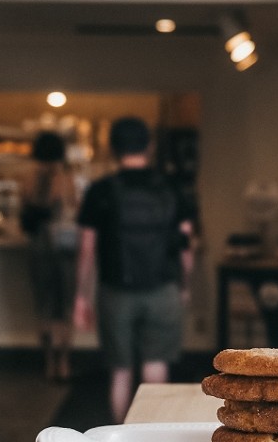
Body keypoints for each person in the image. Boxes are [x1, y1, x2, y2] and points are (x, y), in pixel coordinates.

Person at [73, 117, 195, 423]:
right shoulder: (171, 188)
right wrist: (184, 285)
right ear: (150, 147)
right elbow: (186, 245)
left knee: (121, 371)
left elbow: (87, 248)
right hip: (162, 287)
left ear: (114, 148)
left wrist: (81, 296)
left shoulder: (100, 191)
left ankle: (122, 437)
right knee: (156, 366)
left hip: (115, 291)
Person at [21, 130, 78, 381]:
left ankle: (48, 363)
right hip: (64, 247)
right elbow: (74, 208)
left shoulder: (27, 177)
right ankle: (64, 362)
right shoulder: (66, 178)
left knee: (43, 307)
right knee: (65, 307)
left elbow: (23, 211)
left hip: (38, 246)